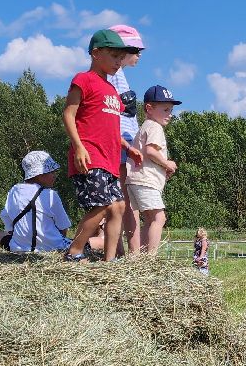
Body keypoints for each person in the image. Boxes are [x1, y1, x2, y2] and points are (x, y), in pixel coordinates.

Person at [64, 29, 135, 262]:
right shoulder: (83, 80)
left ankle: (110, 260)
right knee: (102, 206)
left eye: (121, 57)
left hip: (111, 158)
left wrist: (128, 147)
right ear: (96, 53)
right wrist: (79, 147)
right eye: (114, 56)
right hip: (90, 154)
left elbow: (111, 126)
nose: (119, 62)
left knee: (119, 207)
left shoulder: (112, 90)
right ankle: (74, 251)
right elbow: (68, 114)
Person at [126, 84, 180, 257]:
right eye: (165, 109)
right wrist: (167, 163)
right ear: (149, 108)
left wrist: (162, 168)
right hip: (145, 180)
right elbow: (150, 151)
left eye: (171, 110)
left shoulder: (145, 126)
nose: (170, 114)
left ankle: (139, 255)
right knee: (159, 218)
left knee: (150, 220)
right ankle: (151, 258)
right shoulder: (155, 127)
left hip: (135, 179)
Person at [107, 24, 147, 255]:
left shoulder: (119, 76)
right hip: (120, 139)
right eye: (135, 50)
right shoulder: (113, 76)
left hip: (126, 138)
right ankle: (130, 253)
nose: (138, 55)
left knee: (125, 198)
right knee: (125, 198)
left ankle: (128, 252)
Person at [0, 151, 72, 254]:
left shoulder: (14, 191)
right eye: (52, 172)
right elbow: (63, 228)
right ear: (40, 175)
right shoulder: (51, 195)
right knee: (97, 241)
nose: (55, 176)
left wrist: (14, 234)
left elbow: (6, 217)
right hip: (53, 248)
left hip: (20, 248)